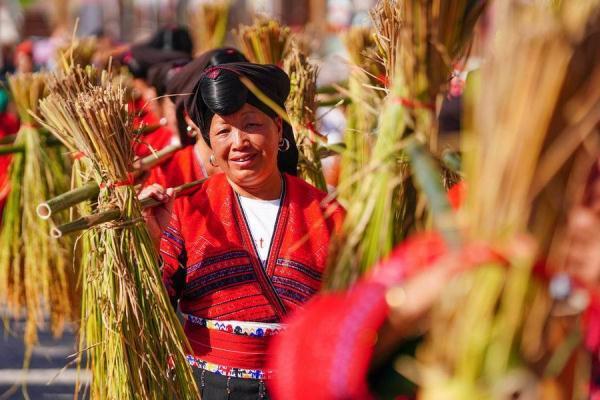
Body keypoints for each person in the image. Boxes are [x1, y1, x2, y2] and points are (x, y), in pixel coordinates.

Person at [142, 62, 345, 399]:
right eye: (224, 131)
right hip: (206, 389)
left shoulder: (330, 216)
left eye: (252, 125)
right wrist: (148, 239)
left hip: (303, 388)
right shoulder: (187, 211)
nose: (239, 143)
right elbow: (150, 312)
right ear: (209, 141)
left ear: (278, 129)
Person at [140, 48, 248, 189]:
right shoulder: (163, 176)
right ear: (189, 116)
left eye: (250, 123)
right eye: (214, 109)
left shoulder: (261, 166)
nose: (238, 140)